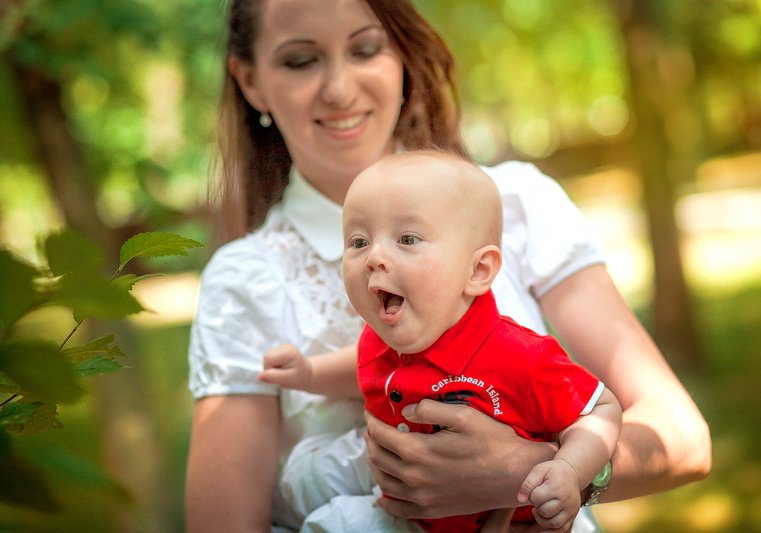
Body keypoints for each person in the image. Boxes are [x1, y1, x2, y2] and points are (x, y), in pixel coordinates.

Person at [184, 0, 712, 532]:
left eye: (365, 49)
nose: (340, 88)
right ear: (250, 80)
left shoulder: (515, 204)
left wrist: (528, 474)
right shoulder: (242, 282)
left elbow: (683, 437)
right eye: (301, 60)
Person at [257, 150, 623, 533]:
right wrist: (309, 373)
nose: (374, 257)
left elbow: (601, 409)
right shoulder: (384, 336)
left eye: (407, 238)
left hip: (486, 522)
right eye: (359, 241)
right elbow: (364, 364)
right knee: (302, 479)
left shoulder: (521, 355)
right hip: (399, 493)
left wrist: (570, 470)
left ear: (477, 270)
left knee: (330, 525)